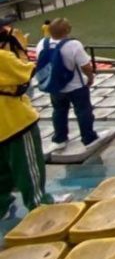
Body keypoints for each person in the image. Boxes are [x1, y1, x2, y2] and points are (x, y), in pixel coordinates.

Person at [0, 49, 69, 215]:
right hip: (14, 122)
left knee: (1, 172)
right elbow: (27, 72)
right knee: (28, 166)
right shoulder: (3, 57)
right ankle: (39, 203)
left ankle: (3, 206)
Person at [35, 18, 101, 150]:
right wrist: (90, 78)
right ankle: (88, 138)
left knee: (58, 111)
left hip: (54, 86)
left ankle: (60, 138)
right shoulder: (73, 45)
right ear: (67, 30)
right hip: (76, 86)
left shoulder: (42, 43)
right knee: (83, 111)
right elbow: (85, 66)